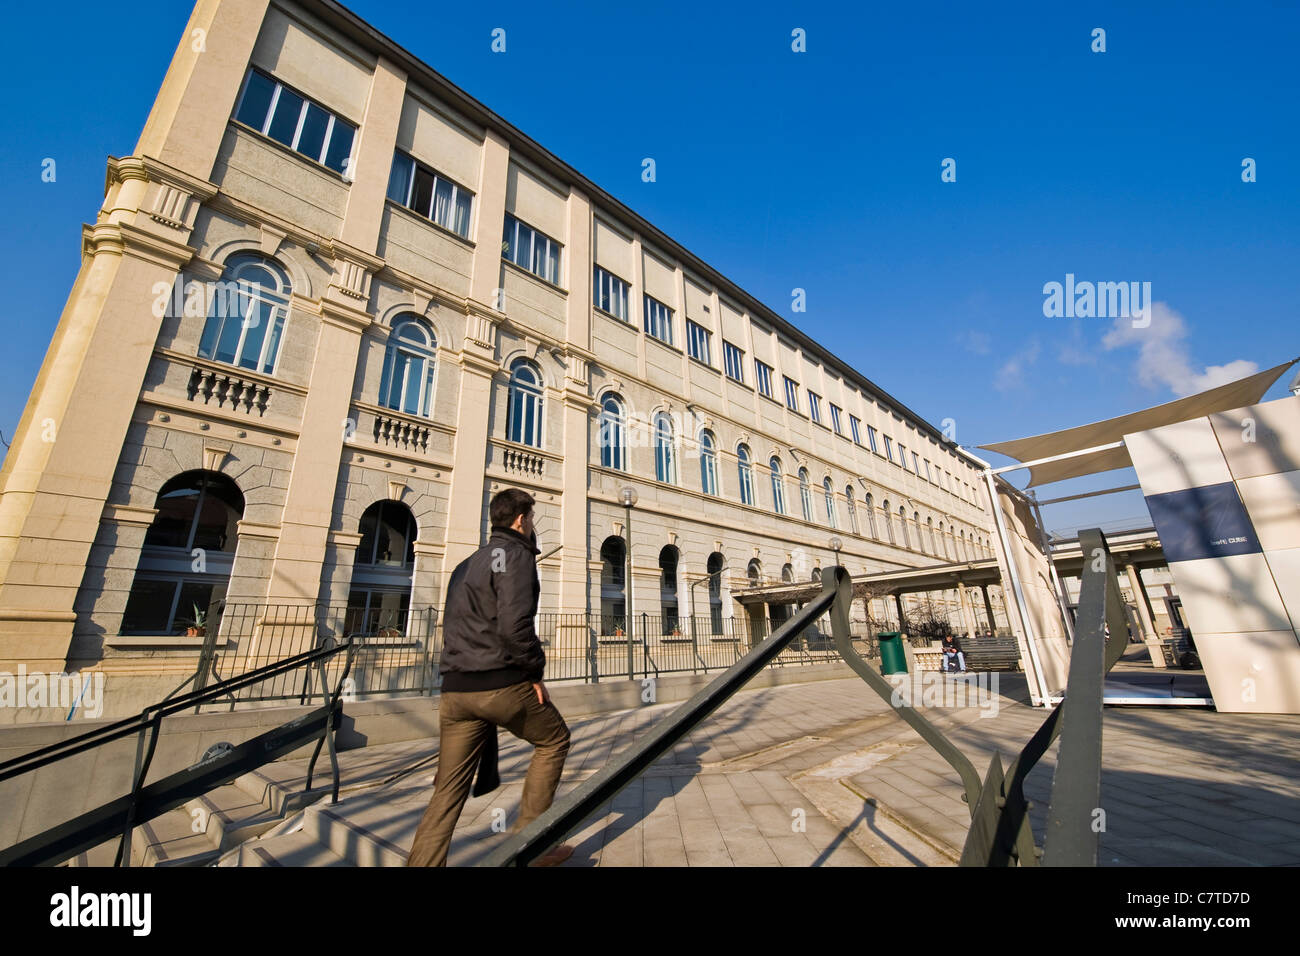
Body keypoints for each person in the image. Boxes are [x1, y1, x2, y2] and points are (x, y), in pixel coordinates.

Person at [406, 488, 573, 867]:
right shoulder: (516, 556)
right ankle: (531, 847)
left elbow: (451, 624)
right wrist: (533, 673)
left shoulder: (468, 563)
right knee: (554, 740)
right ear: (520, 520)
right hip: (500, 684)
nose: (531, 526)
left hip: (455, 691)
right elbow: (515, 626)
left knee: (448, 789)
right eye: (530, 519)